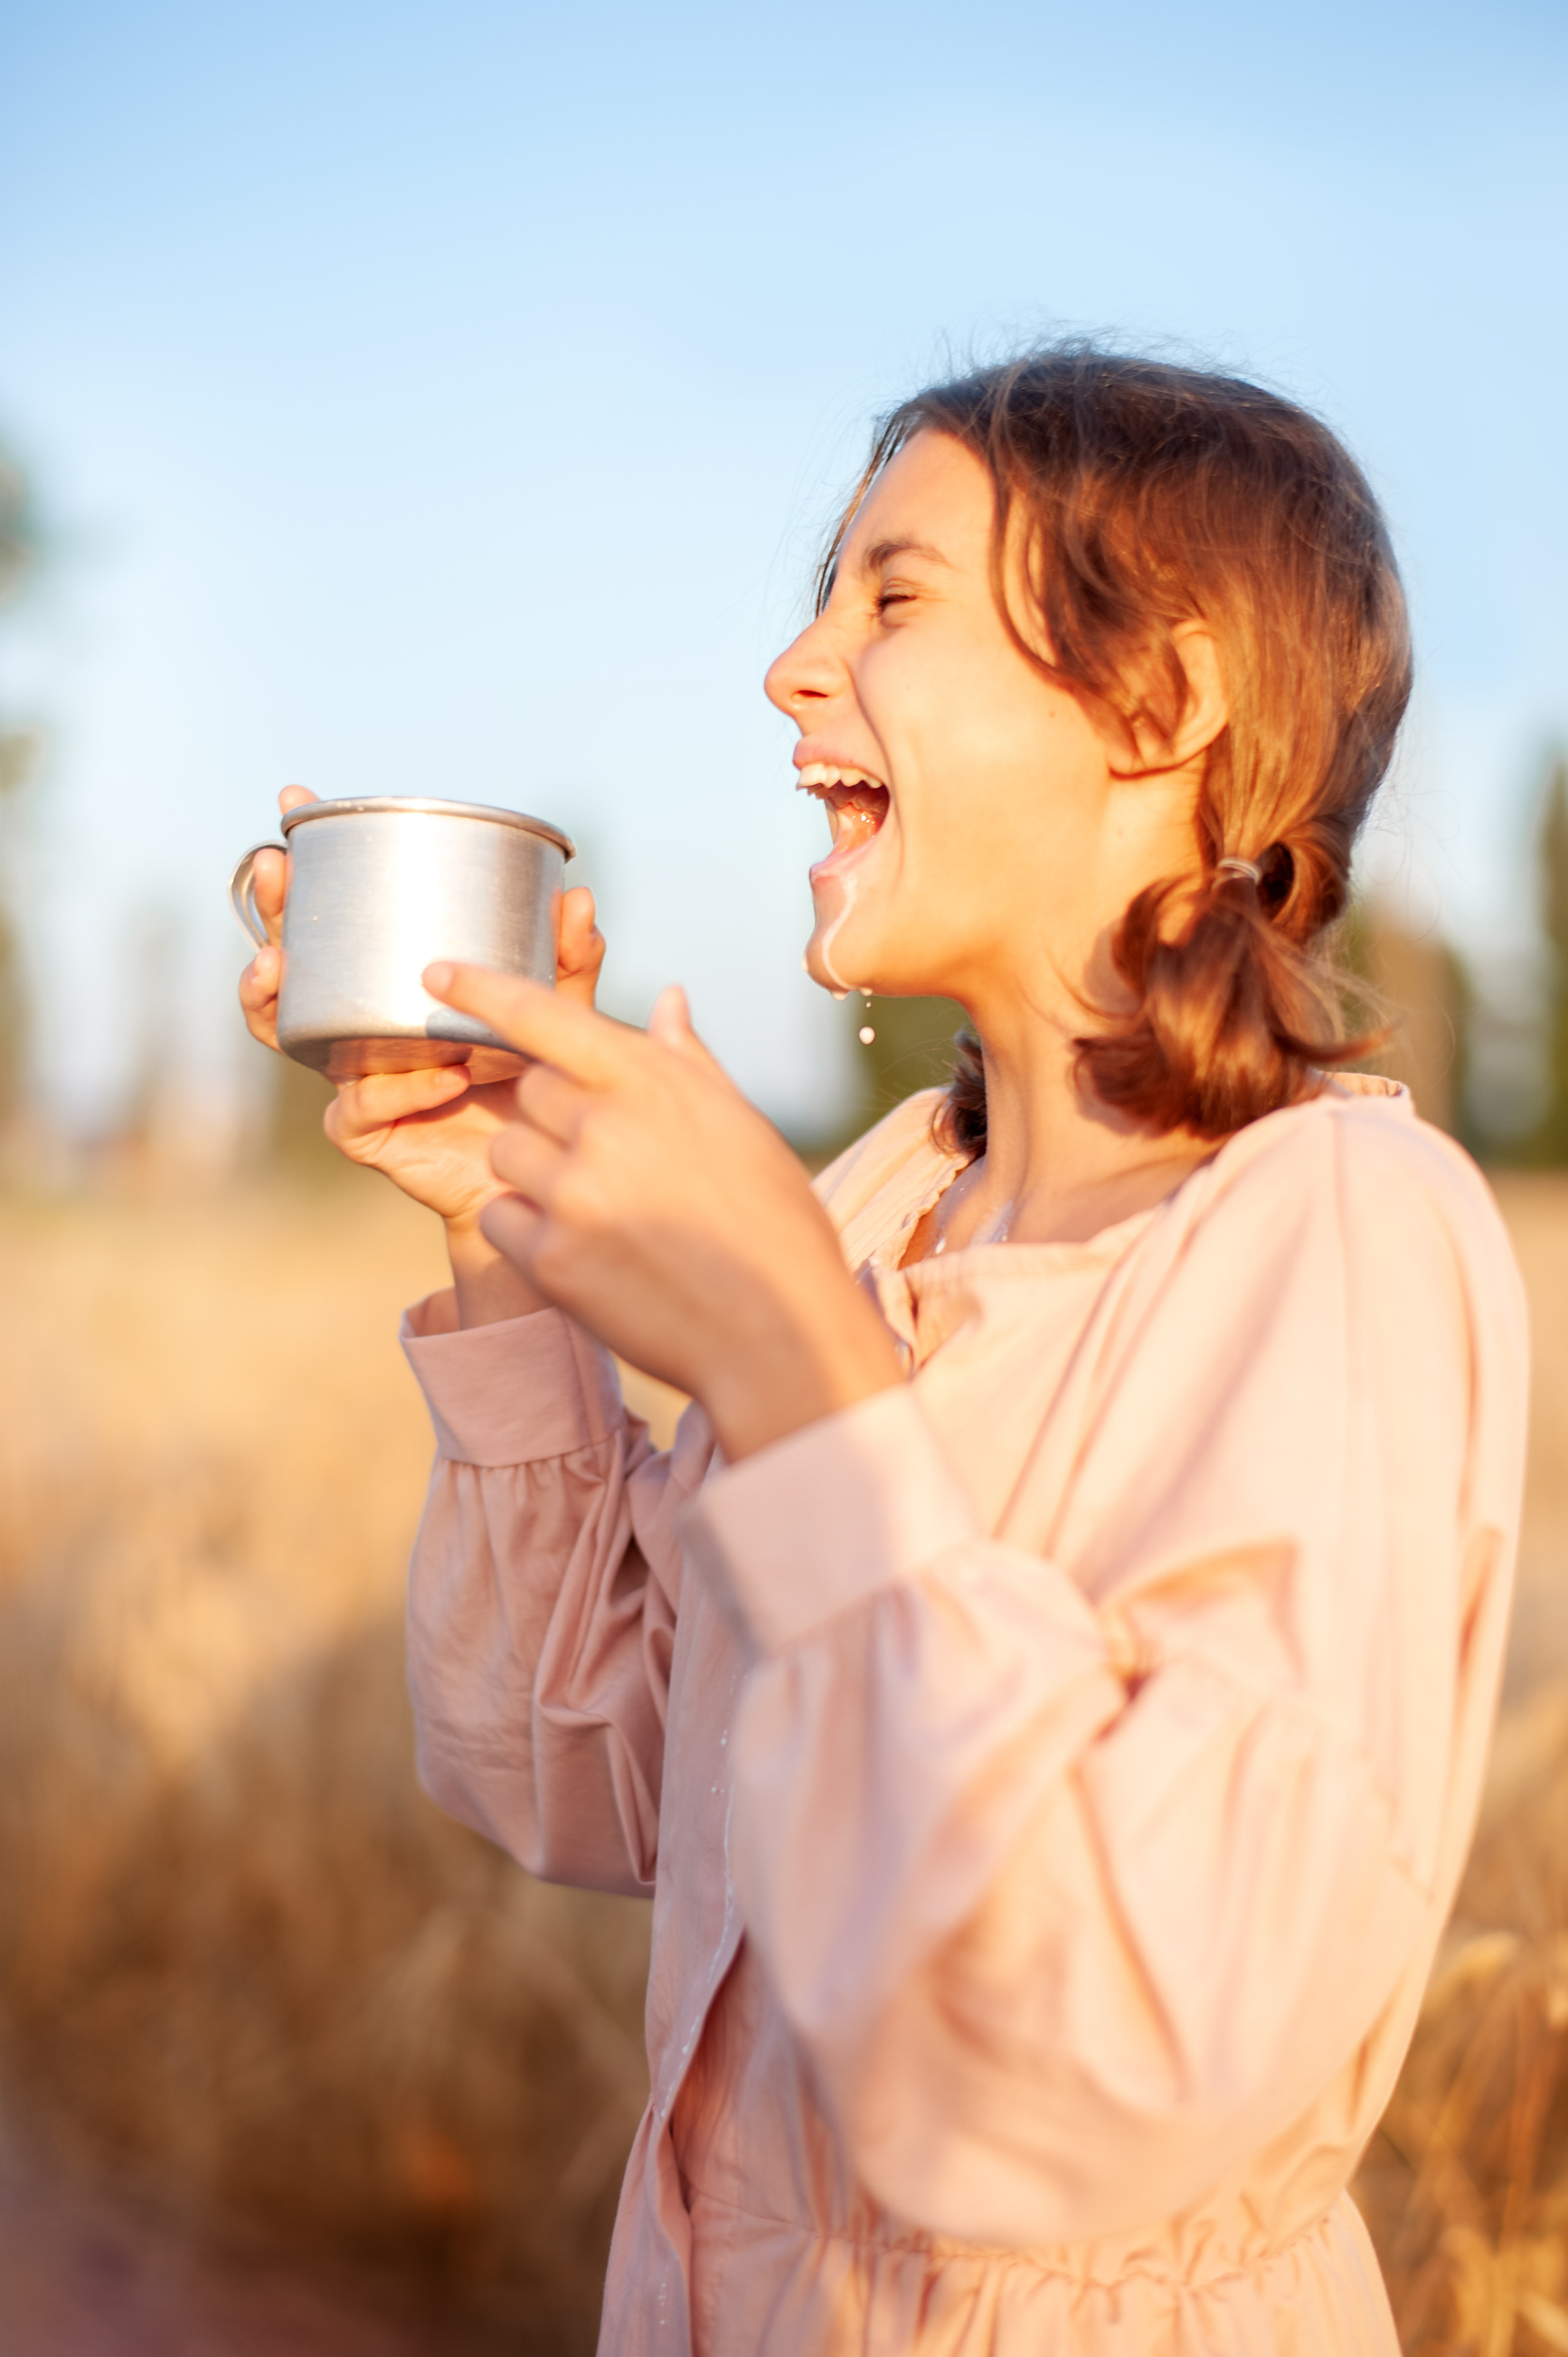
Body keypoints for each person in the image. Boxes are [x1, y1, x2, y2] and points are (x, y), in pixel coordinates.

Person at [240, 347, 1528, 2355]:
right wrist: (502, 1222)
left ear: (1164, 702)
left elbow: (1101, 2053)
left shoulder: (1339, 1239)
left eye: (893, 599)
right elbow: (585, 1773)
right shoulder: (891, 1201)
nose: (792, 669)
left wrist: (796, 1373)